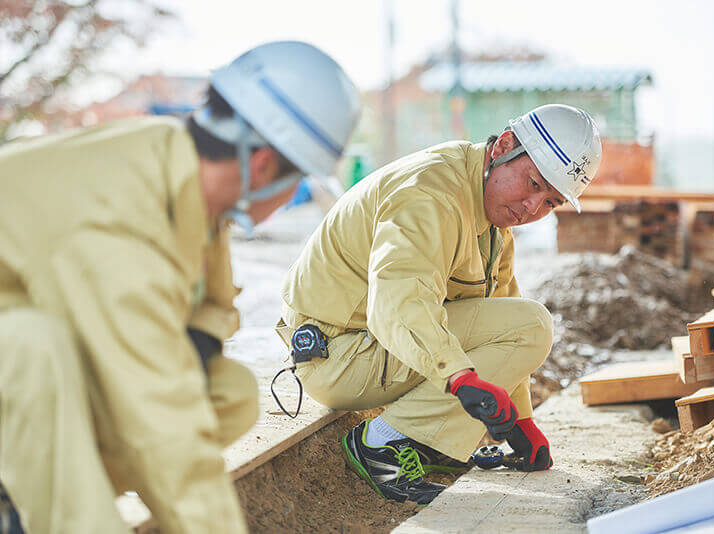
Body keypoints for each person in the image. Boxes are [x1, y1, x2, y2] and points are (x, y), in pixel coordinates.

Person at [0, 40, 360, 533]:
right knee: (31, 348)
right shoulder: (122, 219)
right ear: (262, 168)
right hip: (18, 353)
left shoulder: (178, 169)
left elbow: (214, 305)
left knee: (223, 392)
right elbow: (166, 427)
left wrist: (193, 341)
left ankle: (34, 486)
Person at [277, 104, 602, 504]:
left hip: (369, 347)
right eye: (534, 184)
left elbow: (501, 309)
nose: (533, 208)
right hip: (336, 353)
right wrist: (460, 378)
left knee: (527, 323)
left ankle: (428, 444)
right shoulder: (430, 193)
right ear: (504, 146)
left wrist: (521, 421)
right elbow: (399, 303)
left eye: (551, 202)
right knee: (532, 325)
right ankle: (382, 444)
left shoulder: (493, 221)